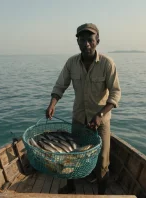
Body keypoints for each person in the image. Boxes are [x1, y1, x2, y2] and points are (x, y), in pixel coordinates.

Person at [45, 23, 121, 194]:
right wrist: (52, 104)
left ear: (97, 41)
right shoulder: (71, 63)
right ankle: (71, 187)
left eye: (90, 40)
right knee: (72, 155)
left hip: (101, 122)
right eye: (82, 40)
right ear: (78, 42)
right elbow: (60, 86)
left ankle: (101, 193)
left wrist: (100, 115)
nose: (86, 43)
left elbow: (115, 93)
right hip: (79, 118)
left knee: (102, 161)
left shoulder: (107, 63)